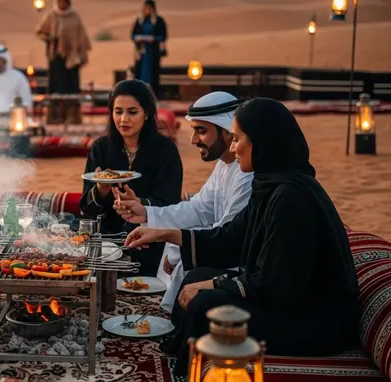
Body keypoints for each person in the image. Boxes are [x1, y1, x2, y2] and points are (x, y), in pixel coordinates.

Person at [124, 98, 359, 375]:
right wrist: (163, 233)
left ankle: (186, 370)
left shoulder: (291, 198)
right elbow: (230, 238)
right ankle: (182, 355)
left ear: (262, 140)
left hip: (314, 320)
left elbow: (277, 283)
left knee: (206, 304)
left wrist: (213, 285)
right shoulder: (269, 183)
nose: (233, 146)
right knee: (194, 277)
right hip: (285, 299)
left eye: (237, 138)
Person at [114, 92, 252, 313]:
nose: (193, 140)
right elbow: (198, 209)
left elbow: (228, 236)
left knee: (180, 252)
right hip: (219, 247)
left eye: (202, 131)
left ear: (227, 132)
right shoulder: (225, 164)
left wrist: (179, 250)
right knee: (175, 244)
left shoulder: (246, 174)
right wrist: (146, 213)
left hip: (239, 263)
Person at [80, 79, 183, 276]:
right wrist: (100, 191)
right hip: (107, 243)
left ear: (147, 114)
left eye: (132, 112)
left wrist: (140, 203)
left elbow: (171, 203)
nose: (123, 119)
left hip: (149, 241)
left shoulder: (165, 150)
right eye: (118, 111)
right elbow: (86, 208)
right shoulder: (101, 148)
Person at [36, 0, 91, 124]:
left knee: (72, 87)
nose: (62, 4)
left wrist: (80, 53)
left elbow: (81, 37)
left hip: (72, 59)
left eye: (64, 2)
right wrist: (49, 38)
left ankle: (72, 118)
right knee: (56, 88)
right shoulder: (51, 15)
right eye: (60, 2)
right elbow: (40, 32)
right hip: (56, 58)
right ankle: (56, 117)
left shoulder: (74, 16)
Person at [131, 0, 168, 97]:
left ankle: (153, 96)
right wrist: (138, 38)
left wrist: (153, 38)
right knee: (139, 74)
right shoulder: (139, 21)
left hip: (153, 52)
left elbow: (163, 36)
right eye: (145, 8)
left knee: (154, 75)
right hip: (141, 53)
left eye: (149, 8)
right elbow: (132, 35)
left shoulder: (159, 21)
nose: (147, 10)